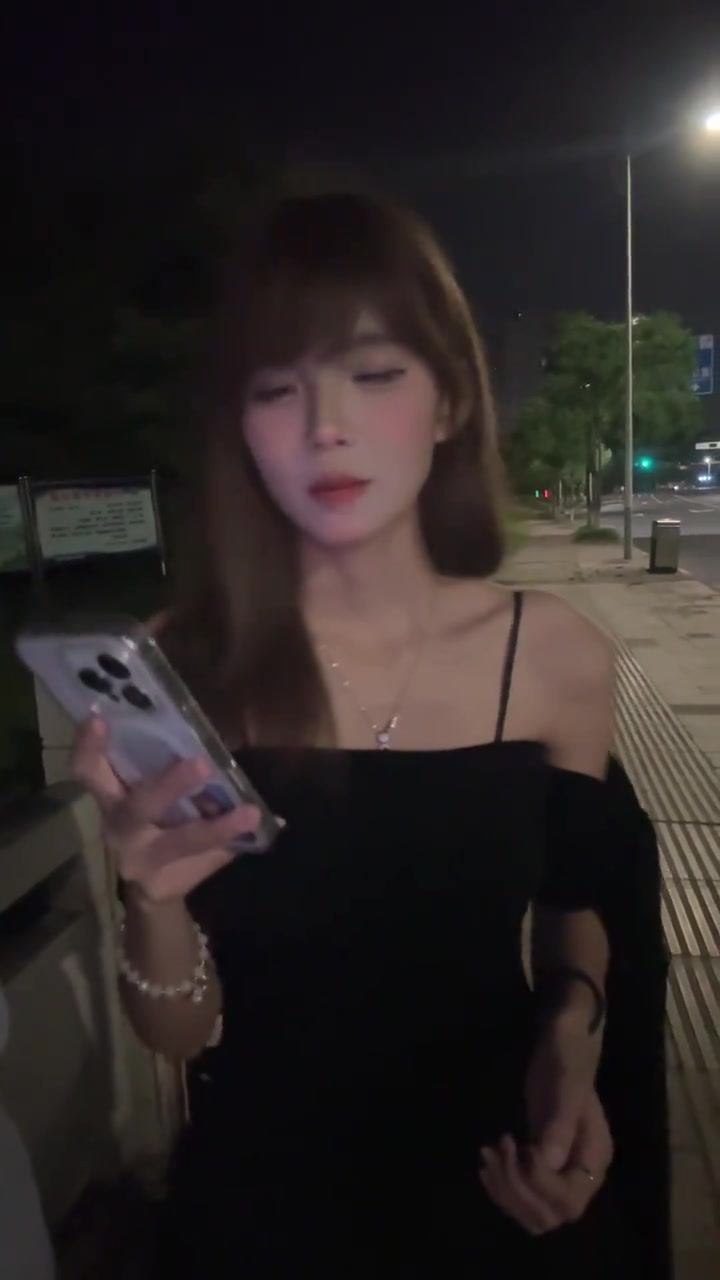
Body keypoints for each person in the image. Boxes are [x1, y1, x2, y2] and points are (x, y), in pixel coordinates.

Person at [71, 191, 668, 1276]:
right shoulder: (182, 662)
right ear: (239, 426)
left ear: (451, 401)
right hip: (263, 1212)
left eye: (375, 373)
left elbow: (574, 909)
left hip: (500, 1188)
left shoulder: (553, 655)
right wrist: (151, 899)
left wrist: (570, 1038)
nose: (325, 426)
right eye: (276, 388)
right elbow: (178, 1032)